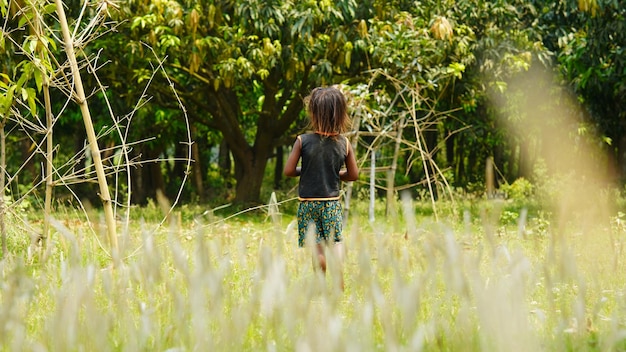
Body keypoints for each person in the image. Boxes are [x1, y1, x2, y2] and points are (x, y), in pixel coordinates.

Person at [283, 86, 359, 290]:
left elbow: (289, 171)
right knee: (336, 241)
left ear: (313, 113)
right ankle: (338, 268)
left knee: (316, 247)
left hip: (307, 204)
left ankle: (320, 283)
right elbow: (353, 175)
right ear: (341, 114)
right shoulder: (344, 143)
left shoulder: (303, 141)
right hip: (331, 204)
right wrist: (337, 174)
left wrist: (305, 170)